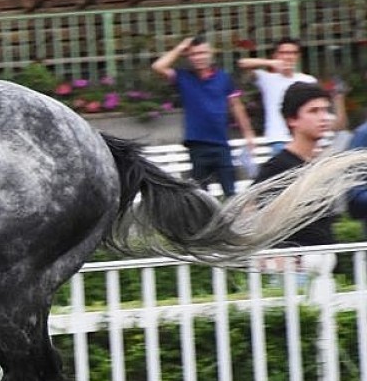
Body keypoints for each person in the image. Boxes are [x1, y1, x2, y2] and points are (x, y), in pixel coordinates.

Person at [253, 82, 356, 247]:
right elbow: (253, 215)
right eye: (313, 111)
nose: (323, 117)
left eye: (325, 110)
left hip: (324, 264)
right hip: (295, 266)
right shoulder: (278, 168)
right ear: (292, 119)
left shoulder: (319, 165)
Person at [152, 35, 256, 198]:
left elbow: (236, 105)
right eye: (194, 54)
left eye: (202, 53)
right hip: (197, 146)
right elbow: (158, 66)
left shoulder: (223, 78)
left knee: (231, 194)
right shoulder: (183, 77)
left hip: (221, 145)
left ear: (211, 53)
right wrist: (181, 48)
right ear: (189, 57)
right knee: (202, 196)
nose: (199, 58)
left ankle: (232, 224)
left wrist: (248, 133)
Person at [237, 37, 316, 157]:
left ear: (298, 56)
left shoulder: (308, 80)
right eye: (284, 53)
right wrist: (270, 63)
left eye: (293, 53)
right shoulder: (266, 78)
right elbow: (242, 63)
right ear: (275, 54)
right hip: (278, 140)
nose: (288, 57)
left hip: (304, 139)